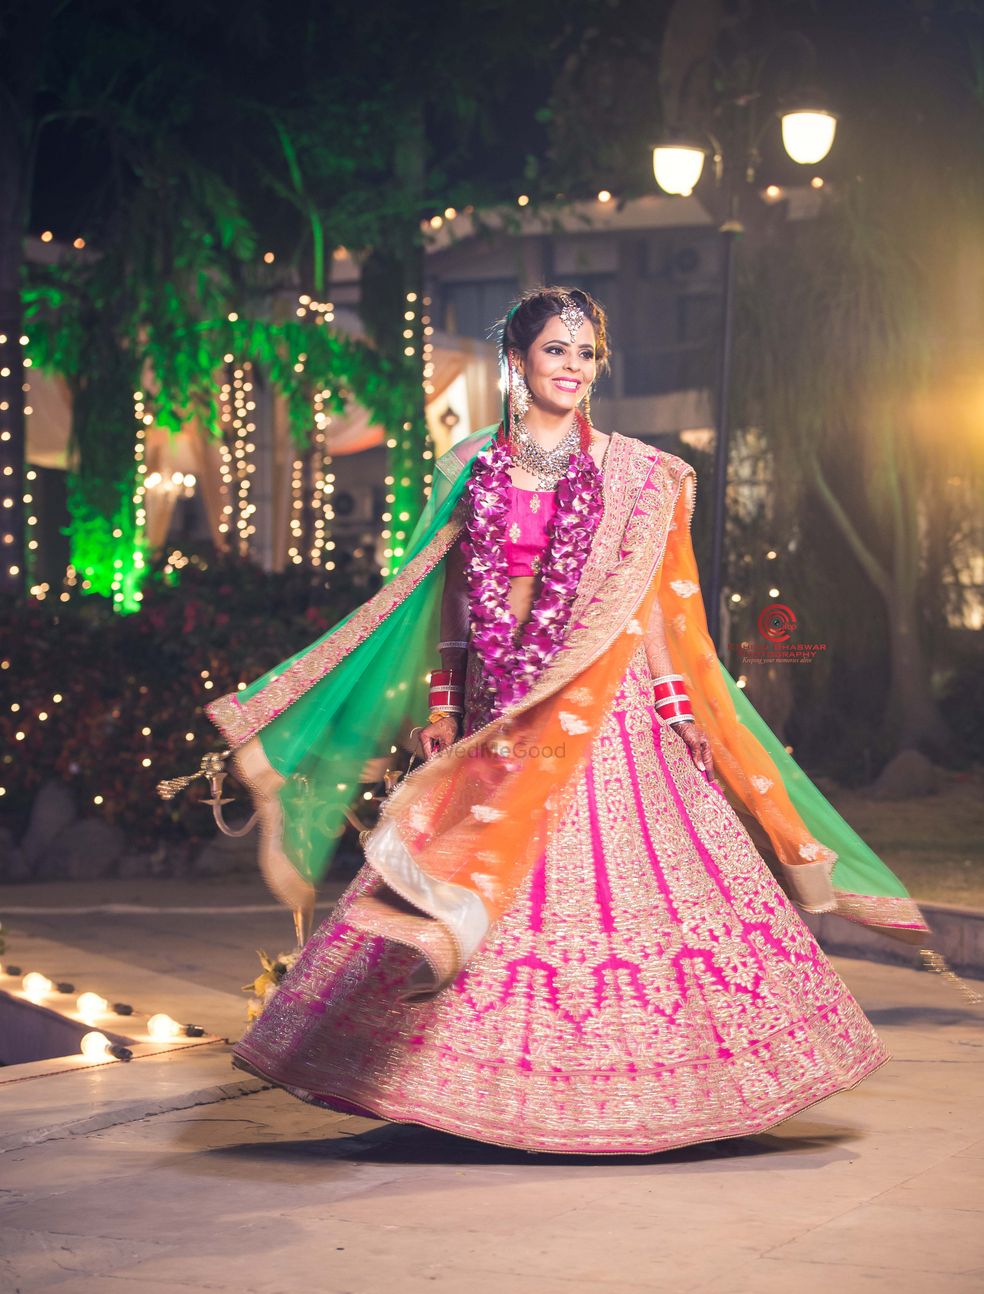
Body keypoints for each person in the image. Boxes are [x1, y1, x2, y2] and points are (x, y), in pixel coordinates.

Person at [203, 285, 939, 1155]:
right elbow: (445, 598)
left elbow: (659, 609)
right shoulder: (470, 466)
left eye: (587, 353)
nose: (574, 368)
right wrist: (444, 706)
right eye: (556, 350)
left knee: (632, 892)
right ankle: (464, 1087)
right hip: (498, 702)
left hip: (609, 705)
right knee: (477, 861)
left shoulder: (641, 474)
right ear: (517, 360)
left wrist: (676, 708)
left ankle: (649, 1084)